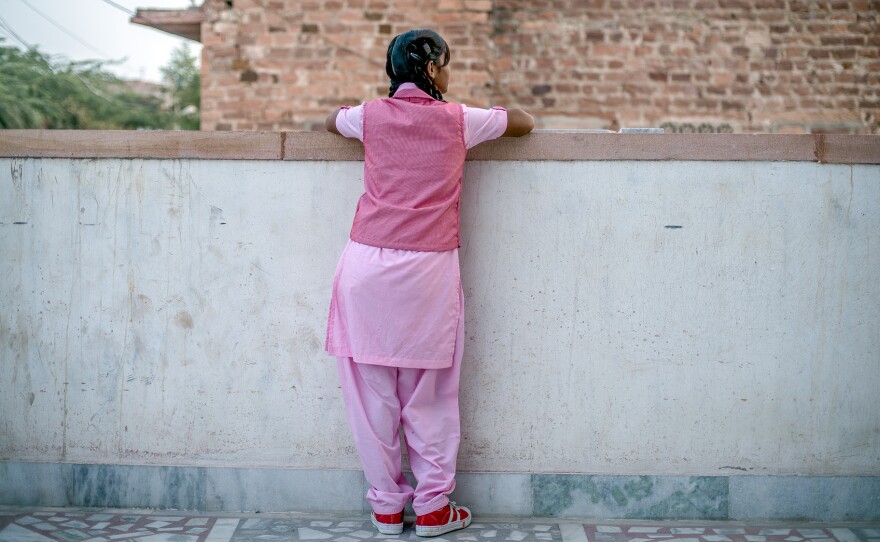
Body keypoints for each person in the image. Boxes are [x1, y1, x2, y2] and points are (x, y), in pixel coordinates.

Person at [324, 28, 534, 537]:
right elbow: (525, 123)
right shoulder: (461, 120)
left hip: (366, 268)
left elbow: (327, 122)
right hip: (427, 271)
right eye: (448, 64)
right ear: (435, 68)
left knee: (372, 395)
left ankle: (387, 510)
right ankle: (435, 508)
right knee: (431, 394)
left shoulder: (367, 116)